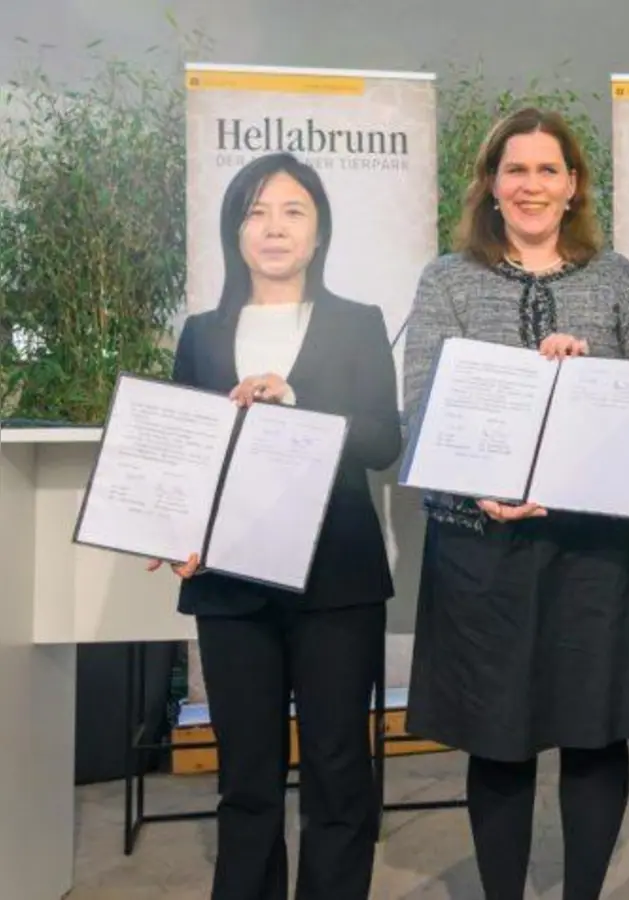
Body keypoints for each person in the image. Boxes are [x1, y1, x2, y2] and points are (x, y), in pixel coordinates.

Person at [400, 107, 629, 900]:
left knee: (595, 732)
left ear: (573, 184)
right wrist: (479, 485)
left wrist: (586, 382)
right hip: (485, 546)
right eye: (514, 169)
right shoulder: (447, 279)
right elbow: (422, 407)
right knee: (499, 737)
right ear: (490, 184)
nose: (531, 185)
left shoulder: (616, 278)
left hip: (599, 548)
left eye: (548, 169)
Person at [150, 151, 402, 900]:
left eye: (293, 211)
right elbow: (184, 452)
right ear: (235, 231)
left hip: (337, 578)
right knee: (246, 776)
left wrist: (296, 403)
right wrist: (173, 531)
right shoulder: (201, 333)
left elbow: (382, 443)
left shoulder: (358, 324)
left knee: (338, 768)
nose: (274, 228)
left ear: (319, 232)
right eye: (256, 212)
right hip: (228, 580)